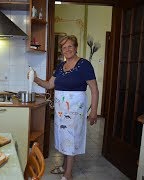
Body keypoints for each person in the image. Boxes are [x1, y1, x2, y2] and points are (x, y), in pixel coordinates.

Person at [28, 35, 99, 180]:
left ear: (76, 47)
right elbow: (49, 85)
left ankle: (68, 174)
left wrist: (94, 112)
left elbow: (94, 89)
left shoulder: (84, 64)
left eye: (70, 46)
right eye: (64, 47)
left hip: (75, 109)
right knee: (63, 138)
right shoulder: (60, 67)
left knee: (71, 139)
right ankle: (64, 166)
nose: (67, 49)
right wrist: (34, 78)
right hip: (61, 110)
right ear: (61, 50)